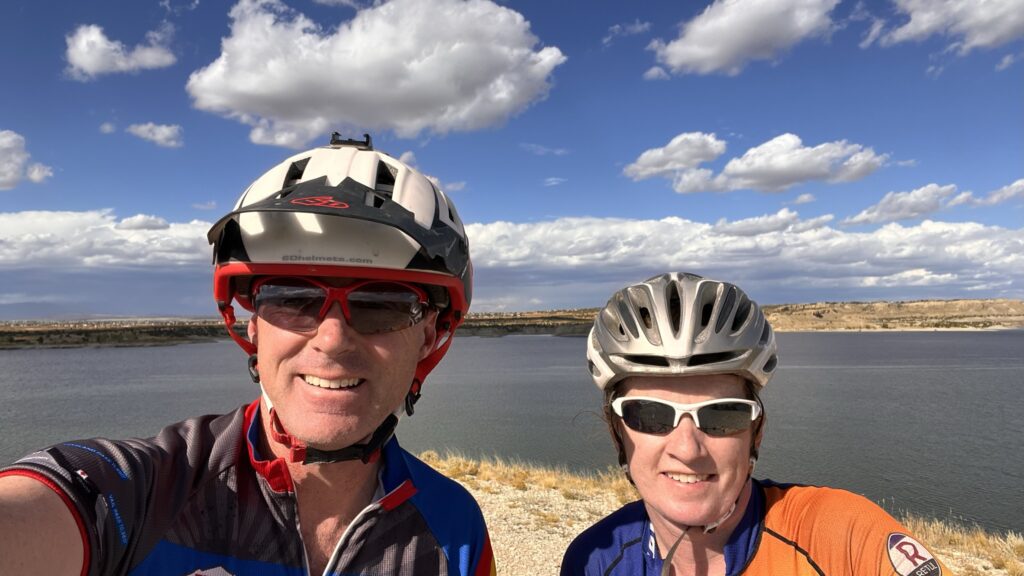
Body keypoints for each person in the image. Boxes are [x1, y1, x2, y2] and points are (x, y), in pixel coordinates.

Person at [0, 133, 496, 576]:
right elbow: (47, 505)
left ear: (429, 337)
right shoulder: (147, 492)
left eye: (382, 305)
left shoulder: (455, 528)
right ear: (253, 325)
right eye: (291, 298)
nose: (332, 339)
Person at [561, 272, 950, 576]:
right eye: (651, 415)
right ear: (617, 432)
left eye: (721, 415)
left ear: (756, 432)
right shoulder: (594, 560)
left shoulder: (842, 535)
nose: (686, 449)